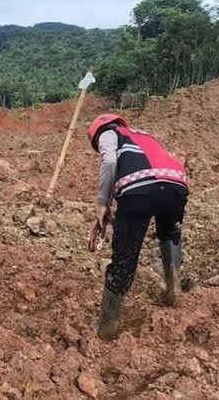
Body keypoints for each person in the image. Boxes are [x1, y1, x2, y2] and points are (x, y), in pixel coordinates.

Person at [88, 113, 189, 341]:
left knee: (124, 257)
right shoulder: (144, 135)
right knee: (170, 233)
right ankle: (174, 292)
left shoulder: (108, 133)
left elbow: (109, 162)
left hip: (139, 190)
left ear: (96, 134)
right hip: (176, 186)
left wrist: (103, 203)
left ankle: (107, 327)